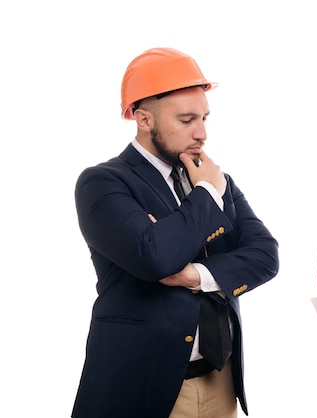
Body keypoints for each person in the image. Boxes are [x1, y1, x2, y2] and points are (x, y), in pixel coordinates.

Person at [72, 47, 279, 418]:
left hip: (220, 384)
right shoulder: (103, 183)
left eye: (204, 117)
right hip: (140, 387)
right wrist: (204, 195)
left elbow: (265, 254)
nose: (202, 133)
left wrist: (196, 275)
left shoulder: (215, 180)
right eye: (186, 120)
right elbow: (155, 256)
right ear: (143, 119)